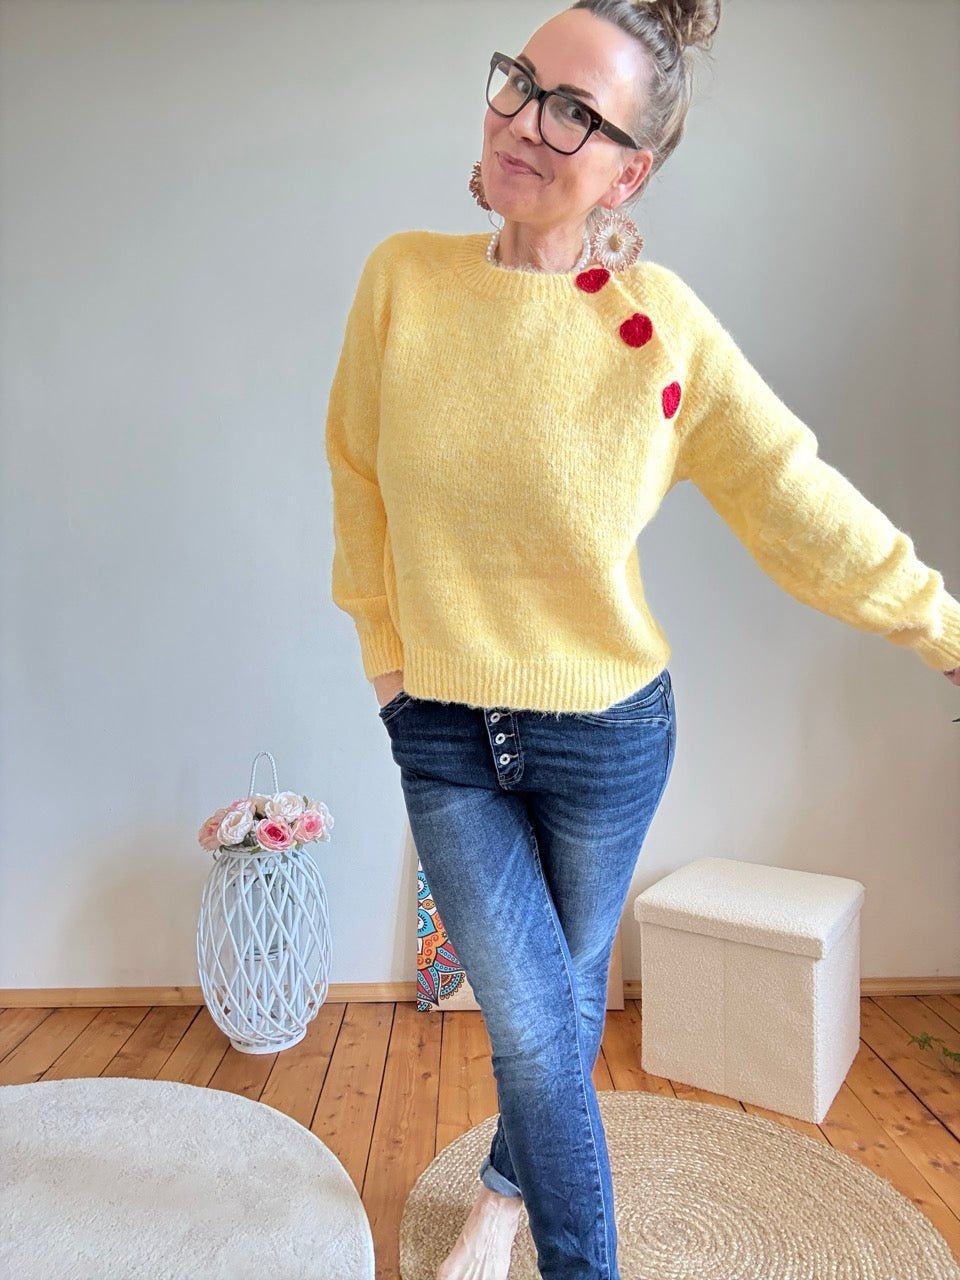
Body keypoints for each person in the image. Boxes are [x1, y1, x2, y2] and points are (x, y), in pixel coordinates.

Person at [324, 2, 960, 1275]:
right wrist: (388, 668)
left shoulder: (657, 328)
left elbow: (791, 494)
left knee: (550, 1009)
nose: (526, 121)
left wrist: (942, 626)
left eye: (576, 111)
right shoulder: (403, 280)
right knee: (537, 1024)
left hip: (608, 738)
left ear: (630, 170)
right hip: (441, 731)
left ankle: (506, 1189)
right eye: (520, 82)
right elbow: (358, 480)